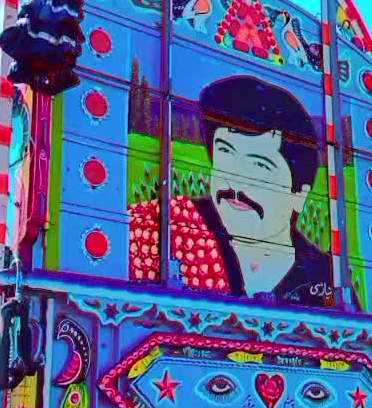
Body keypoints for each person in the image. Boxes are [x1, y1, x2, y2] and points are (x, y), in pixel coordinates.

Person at [129, 75, 334, 306]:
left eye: (260, 165)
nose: (235, 182)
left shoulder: (325, 277)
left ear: (299, 195)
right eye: (226, 153)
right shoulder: (160, 228)